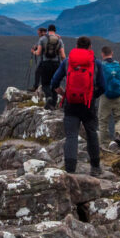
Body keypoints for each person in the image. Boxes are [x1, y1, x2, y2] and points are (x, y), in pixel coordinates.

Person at [49, 36, 106, 174]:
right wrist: (92, 96)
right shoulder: (96, 63)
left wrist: (62, 92)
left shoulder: (68, 62)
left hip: (71, 104)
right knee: (91, 134)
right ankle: (95, 167)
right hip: (88, 105)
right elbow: (103, 86)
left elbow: (54, 82)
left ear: (76, 45)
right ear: (90, 47)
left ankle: (70, 170)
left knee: (71, 136)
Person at [97, 45, 120, 147]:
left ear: (102, 54)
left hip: (105, 96)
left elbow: (97, 82)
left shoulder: (100, 66)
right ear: (112, 53)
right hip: (118, 97)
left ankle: (105, 144)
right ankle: (118, 136)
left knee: (103, 120)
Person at [34, 24, 64, 108]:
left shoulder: (42, 39)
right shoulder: (59, 40)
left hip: (45, 64)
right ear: (55, 30)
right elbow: (63, 55)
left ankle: (49, 97)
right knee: (54, 84)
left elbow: (38, 52)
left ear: (48, 30)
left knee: (45, 84)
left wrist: (34, 52)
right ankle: (53, 105)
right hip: (56, 65)